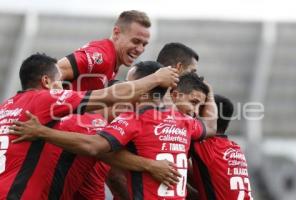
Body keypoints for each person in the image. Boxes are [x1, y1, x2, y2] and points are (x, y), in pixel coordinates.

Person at [10, 63, 217, 199]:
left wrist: (42, 132)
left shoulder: (134, 120)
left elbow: (95, 147)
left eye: (131, 84)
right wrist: (210, 94)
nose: (127, 89)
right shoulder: (185, 122)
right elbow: (211, 126)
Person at [58, 10, 151, 91]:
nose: (140, 49)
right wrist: (59, 105)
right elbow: (56, 70)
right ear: (116, 33)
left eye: (144, 44)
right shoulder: (103, 56)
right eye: (136, 41)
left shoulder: (113, 61)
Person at [190, 94, 254, 200]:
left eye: (199, 108)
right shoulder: (235, 148)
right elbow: (209, 177)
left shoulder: (205, 145)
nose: (195, 113)